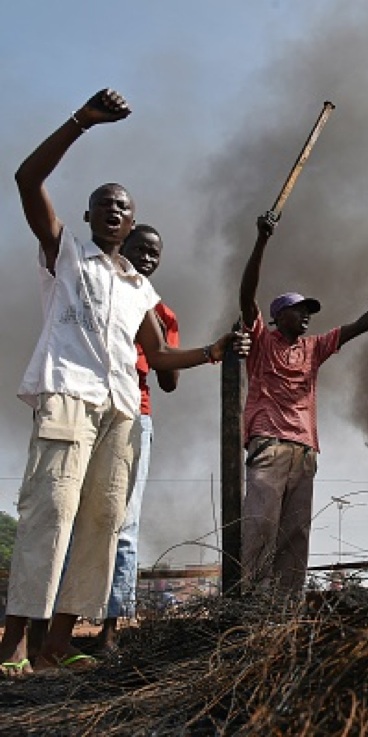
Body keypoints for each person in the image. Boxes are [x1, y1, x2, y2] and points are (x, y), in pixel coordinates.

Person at [0, 89, 247, 676]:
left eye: (123, 207)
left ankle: (59, 642)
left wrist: (215, 350)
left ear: (133, 221)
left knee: (104, 520)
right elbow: (26, 178)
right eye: (104, 205)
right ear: (89, 217)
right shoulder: (66, 254)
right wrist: (81, 122)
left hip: (120, 412)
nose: (114, 212)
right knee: (51, 513)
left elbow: (157, 357)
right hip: (67, 395)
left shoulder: (141, 288)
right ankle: (13, 646)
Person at [239, 212, 368, 592]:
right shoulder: (261, 341)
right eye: (299, 309)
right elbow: (246, 294)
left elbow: (361, 325)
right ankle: (249, 609)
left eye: (308, 312)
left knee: (294, 539)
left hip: (304, 451)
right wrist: (261, 241)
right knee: (259, 527)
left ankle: (285, 616)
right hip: (268, 444)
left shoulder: (314, 348)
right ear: (276, 315)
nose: (306, 316)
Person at [95, 225, 179, 651]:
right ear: (121, 247)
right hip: (91, 405)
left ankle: (110, 628)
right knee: (76, 517)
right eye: (139, 249)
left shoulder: (162, 313)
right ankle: (51, 629)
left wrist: (159, 344)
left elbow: (169, 381)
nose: (147, 257)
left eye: (154, 253)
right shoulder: (96, 290)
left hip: (136, 413)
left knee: (124, 524)